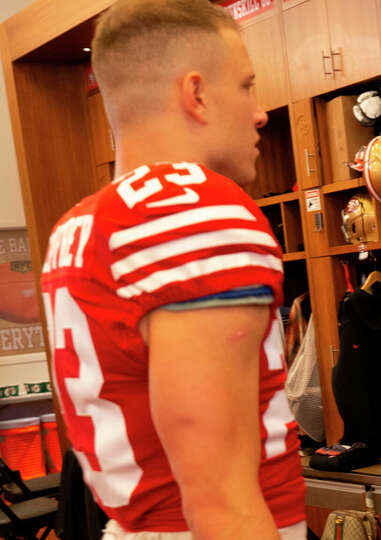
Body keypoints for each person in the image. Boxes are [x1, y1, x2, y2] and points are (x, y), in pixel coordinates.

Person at [39, 0, 305, 538]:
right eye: (247, 86)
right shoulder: (194, 213)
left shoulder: (80, 225)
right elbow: (218, 497)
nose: (259, 113)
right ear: (197, 94)